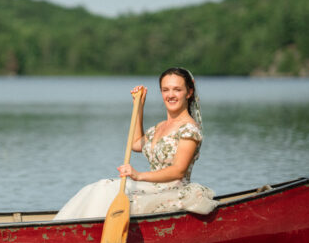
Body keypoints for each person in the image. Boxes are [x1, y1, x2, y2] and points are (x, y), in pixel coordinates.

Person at [54, 67, 217, 220]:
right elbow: (137, 144)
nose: (170, 95)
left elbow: (178, 171)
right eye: (165, 90)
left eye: (177, 89)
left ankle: (84, 231)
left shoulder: (189, 129)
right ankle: (61, 227)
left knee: (107, 191)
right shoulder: (161, 126)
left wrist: (139, 175)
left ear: (189, 93)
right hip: (150, 187)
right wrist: (139, 107)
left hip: (173, 190)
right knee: (98, 187)